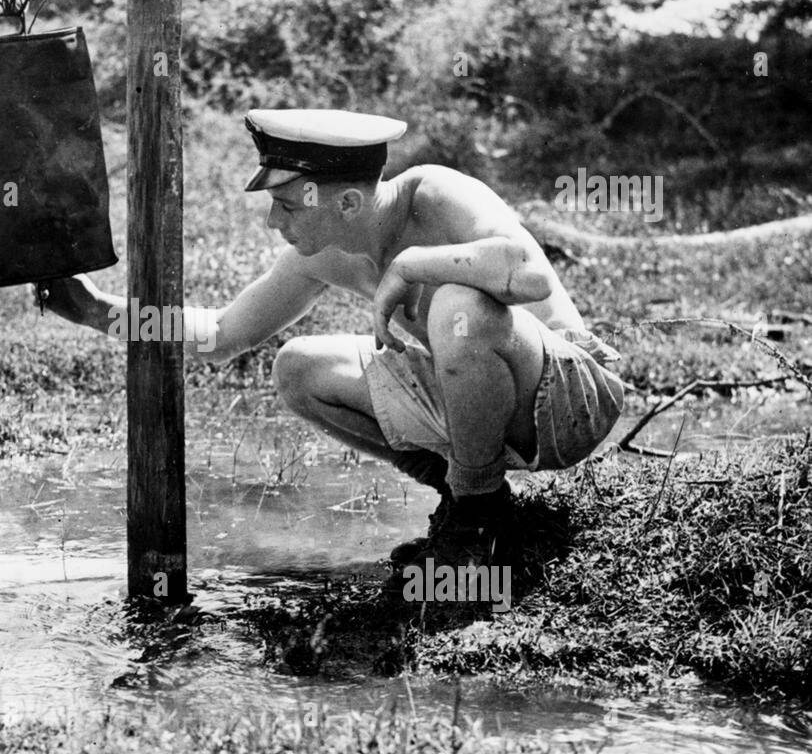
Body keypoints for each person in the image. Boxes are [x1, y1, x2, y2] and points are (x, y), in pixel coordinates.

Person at [36, 108, 625, 564]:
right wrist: (95, 311)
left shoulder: (435, 193)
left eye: (287, 205)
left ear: (347, 201)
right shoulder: (323, 254)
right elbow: (221, 333)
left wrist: (414, 264)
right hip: (486, 405)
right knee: (297, 366)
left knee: (458, 305)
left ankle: (476, 517)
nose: (275, 221)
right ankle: (467, 497)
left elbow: (526, 272)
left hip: (572, 394)